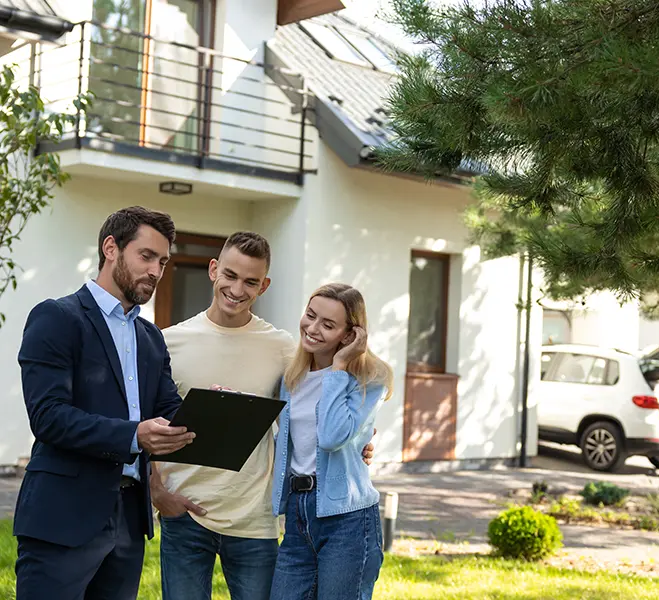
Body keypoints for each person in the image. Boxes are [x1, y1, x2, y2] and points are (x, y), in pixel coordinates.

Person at [150, 233, 375, 600]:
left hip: (254, 518)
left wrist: (361, 436)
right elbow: (146, 423)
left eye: (250, 281)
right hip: (184, 514)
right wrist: (157, 492)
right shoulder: (167, 342)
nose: (238, 289)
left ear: (264, 286)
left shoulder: (285, 348)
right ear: (213, 270)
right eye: (230, 275)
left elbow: (320, 407)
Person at [14, 206, 195, 600]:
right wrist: (134, 436)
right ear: (111, 248)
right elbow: (48, 417)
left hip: (129, 522)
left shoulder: (151, 337)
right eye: (146, 256)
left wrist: (214, 408)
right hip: (63, 517)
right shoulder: (57, 317)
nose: (155, 271)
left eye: (162, 262)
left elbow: (169, 411)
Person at [271, 283, 393, 600]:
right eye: (310, 316)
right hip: (298, 514)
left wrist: (339, 368)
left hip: (347, 520)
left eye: (328, 325)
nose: (312, 329)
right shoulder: (291, 376)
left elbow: (330, 437)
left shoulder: (370, 379)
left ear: (349, 335)